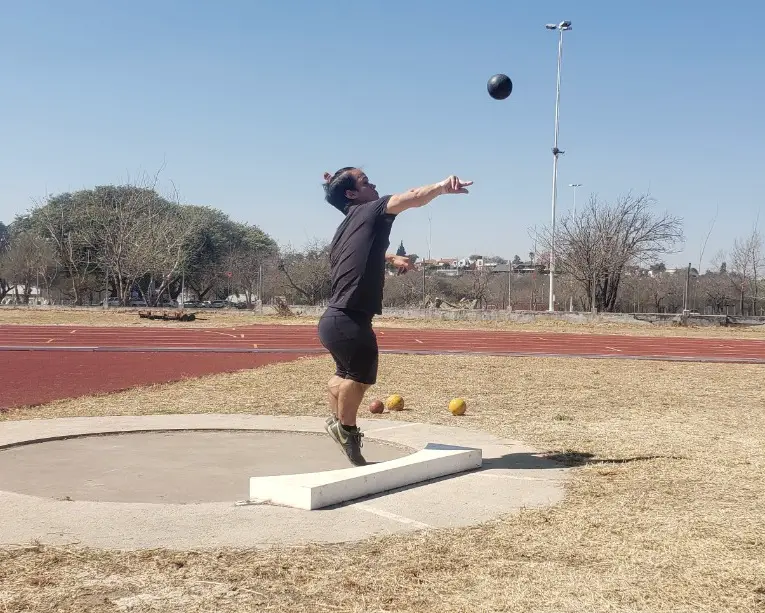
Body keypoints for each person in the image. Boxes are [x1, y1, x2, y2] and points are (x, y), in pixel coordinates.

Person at [318, 167, 472, 465]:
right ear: (351, 193)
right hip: (350, 318)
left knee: (342, 376)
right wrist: (442, 186)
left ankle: (336, 422)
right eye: (365, 182)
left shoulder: (345, 227)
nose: (373, 184)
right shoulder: (372, 210)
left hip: (333, 320)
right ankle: (345, 430)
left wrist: (390, 257)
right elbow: (412, 197)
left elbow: (361, 252)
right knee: (359, 379)